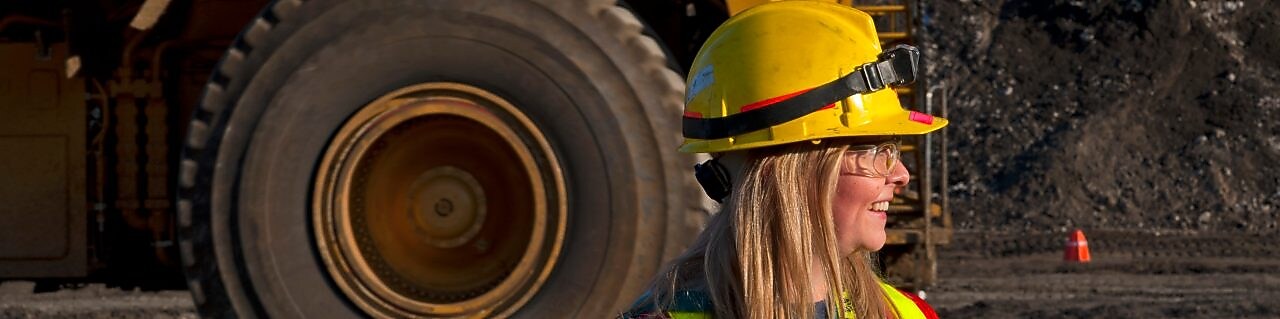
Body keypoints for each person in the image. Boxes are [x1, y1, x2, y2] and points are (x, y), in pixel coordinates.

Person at [620, 1, 947, 318]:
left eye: (894, 148)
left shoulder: (908, 314)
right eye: (877, 151)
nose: (902, 175)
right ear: (786, 171)